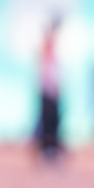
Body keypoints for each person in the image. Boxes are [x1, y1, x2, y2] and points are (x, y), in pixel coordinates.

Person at [36, 16, 64, 161]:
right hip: (48, 89)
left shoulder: (52, 49)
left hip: (51, 89)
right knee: (48, 120)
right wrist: (51, 86)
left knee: (54, 120)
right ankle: (46, 149)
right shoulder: (47, 47)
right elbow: (46, 70)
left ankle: (51, 149)